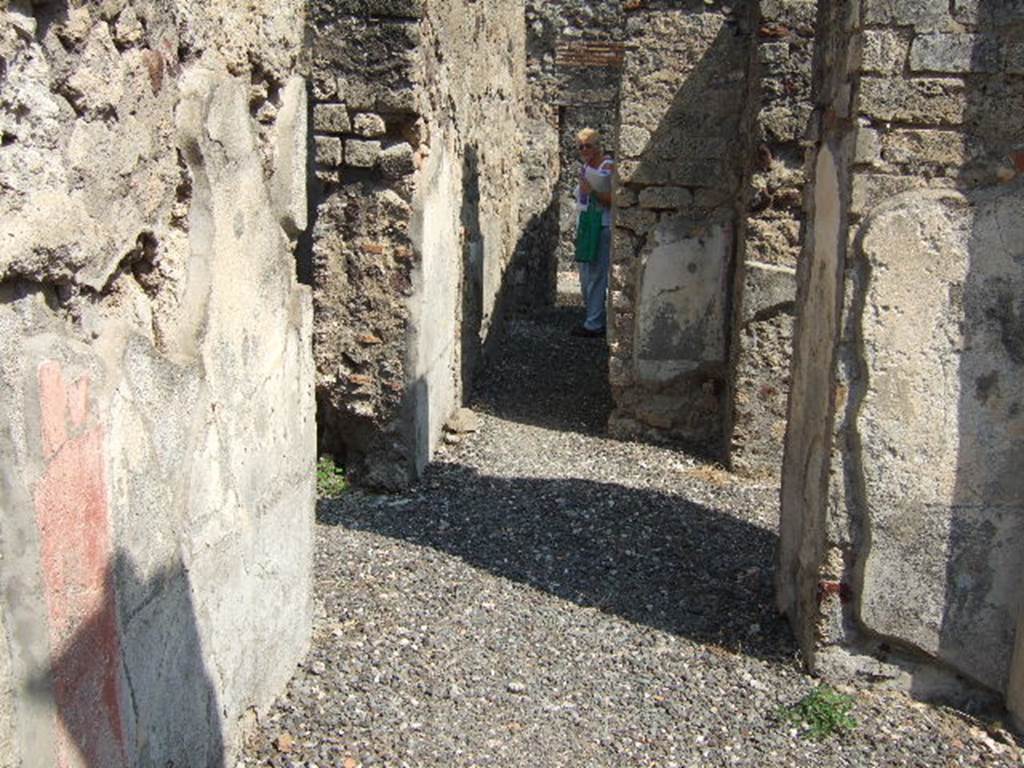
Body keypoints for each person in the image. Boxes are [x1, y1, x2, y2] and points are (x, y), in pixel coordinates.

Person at [572, 127, 614, 338]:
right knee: (586, 274)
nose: (584, 150)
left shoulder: (608, 166)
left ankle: (594, 323)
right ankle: (592, 317)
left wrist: (593, 191)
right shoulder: (586, 167)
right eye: (580, 147)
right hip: (587, 224)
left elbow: (613, 200)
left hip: (602, 225)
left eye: (588, 145)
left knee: (597, 275)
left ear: (598, 146)